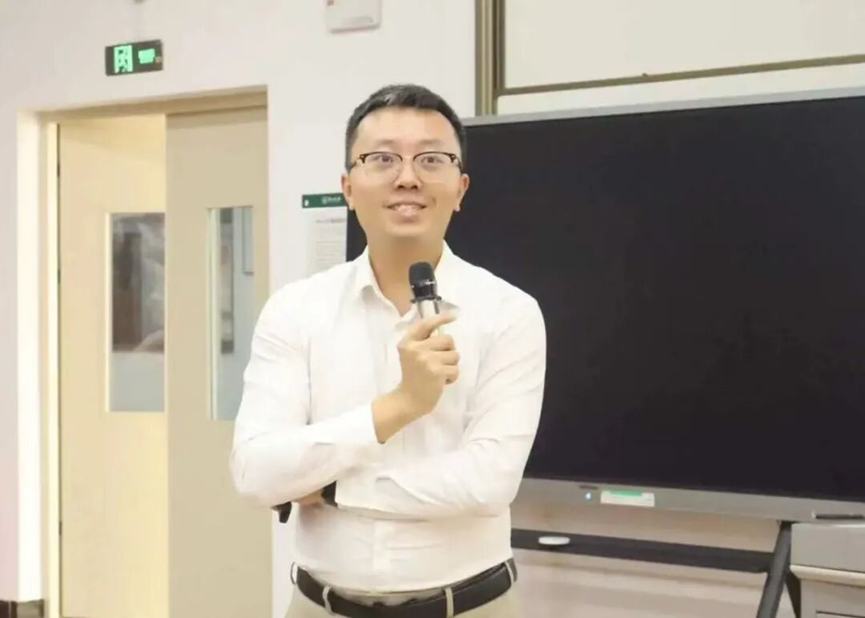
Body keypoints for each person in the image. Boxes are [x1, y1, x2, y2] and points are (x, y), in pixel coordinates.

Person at [230, 83, 547, 618]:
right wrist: (399, 406)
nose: (407, 177)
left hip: (470, 607)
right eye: (382, 159)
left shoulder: (509, 312)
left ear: (460, 188)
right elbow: (256, 472)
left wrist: (331, 488)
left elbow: (488, 483)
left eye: (431, 159)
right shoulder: (295, 309)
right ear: (348, 188)